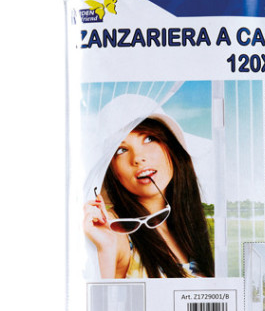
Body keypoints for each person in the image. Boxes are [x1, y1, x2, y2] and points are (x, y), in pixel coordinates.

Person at [83, 114, 214, 279]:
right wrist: (106, 250)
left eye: (149, 139)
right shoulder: (114, 229)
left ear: (171, 146)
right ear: (111, 170)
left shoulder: (193, 229)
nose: (138, 158)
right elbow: (100, 293)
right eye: (121, 150)